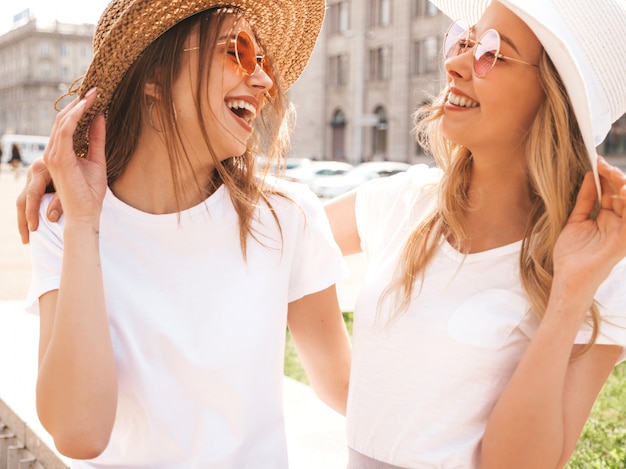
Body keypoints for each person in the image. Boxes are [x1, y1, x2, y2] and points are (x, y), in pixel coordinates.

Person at [20, 0, 351, 467]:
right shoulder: (63, 219)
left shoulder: (287, 216)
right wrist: (82, 223)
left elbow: (346, 387)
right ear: (154, 74)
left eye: (263, 61)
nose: (264, 80)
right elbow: (79, 433)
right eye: (237, 50)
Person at [324, 0, 626, 467]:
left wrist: (570, 291)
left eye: (491, 52)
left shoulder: (602, 266)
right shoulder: (404, 202)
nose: (455, 63)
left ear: (553, 94)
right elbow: (274, 243)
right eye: (464, 40)